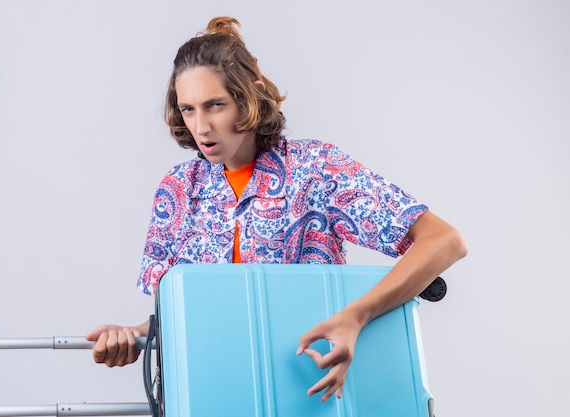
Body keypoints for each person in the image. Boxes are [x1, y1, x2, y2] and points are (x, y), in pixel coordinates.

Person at [86, 16, 468, 403]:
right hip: (212, 393)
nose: (201, 127)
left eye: (214, 105)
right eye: (188, 109)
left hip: (306, 392)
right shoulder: (178, 190)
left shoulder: (316, 169)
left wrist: (357, 315)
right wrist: (133, 336)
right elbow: (182, 315)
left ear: (249, 96)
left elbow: (444, 241)